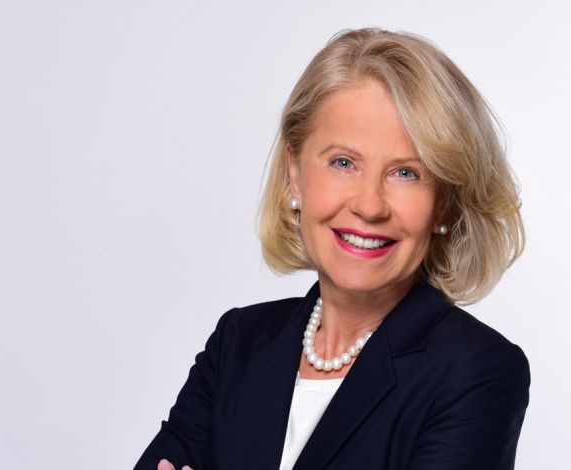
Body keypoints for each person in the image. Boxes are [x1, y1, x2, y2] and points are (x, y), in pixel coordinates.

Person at [136, 27, 529, 470]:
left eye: (406, 173)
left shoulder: (476, 370)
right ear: (295, 174)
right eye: (343, 163)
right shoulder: (238, 343)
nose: (369, 205)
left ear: (445, 202)